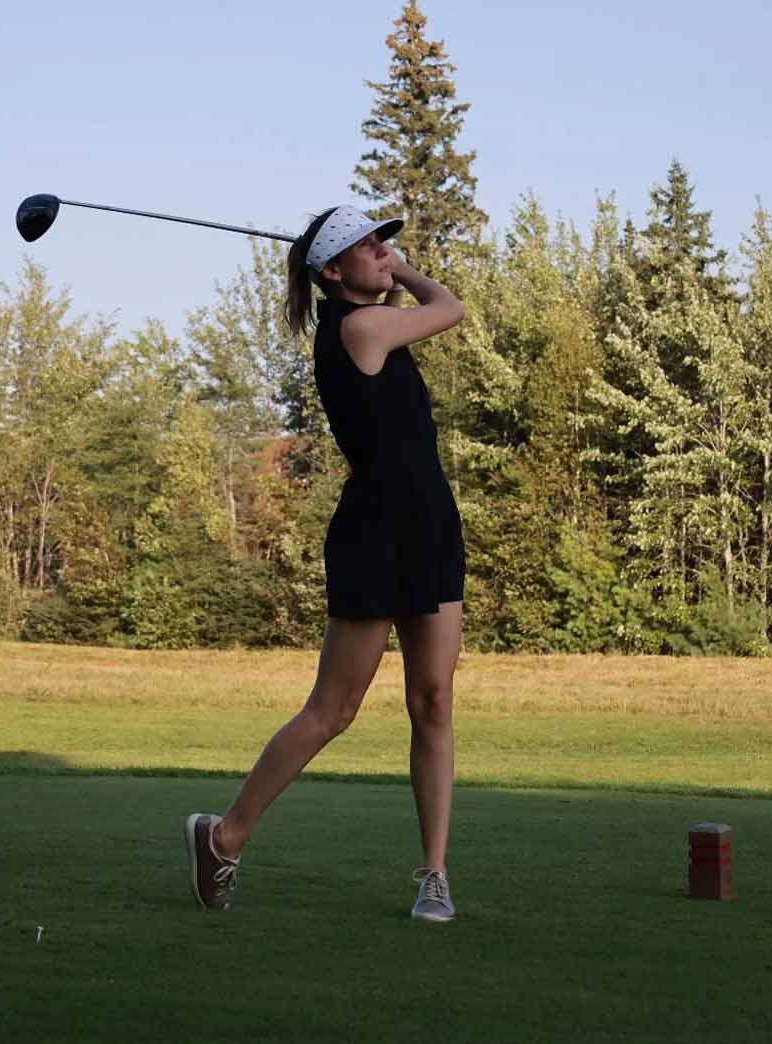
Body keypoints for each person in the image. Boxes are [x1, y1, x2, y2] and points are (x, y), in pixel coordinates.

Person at [185, 204, 467, 922]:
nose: (385, 250)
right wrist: (398, 268)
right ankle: (224, 837)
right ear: (331, 271)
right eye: (367, 245)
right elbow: (451, 305)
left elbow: (412, 303)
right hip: (376, 530)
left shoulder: (370, 323)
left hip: (430, 522)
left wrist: (376, 260)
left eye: (386, 241)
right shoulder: (360, 326)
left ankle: (434, 874)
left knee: (433, 701)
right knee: (333, 711)